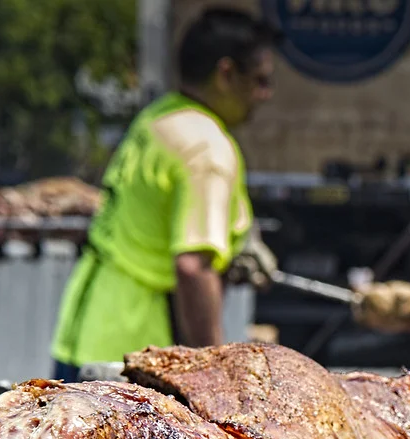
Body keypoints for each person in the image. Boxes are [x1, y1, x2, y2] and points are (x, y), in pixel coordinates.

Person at [50, 7, 276, 380]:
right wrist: (211, 375)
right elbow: (193, 267)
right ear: (226, 73)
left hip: (85, 337)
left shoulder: (157, 120)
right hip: (137, 361)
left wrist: (235, 242)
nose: (265, 95)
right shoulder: (207, 149)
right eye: (260, 81)